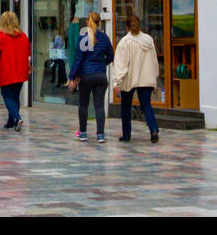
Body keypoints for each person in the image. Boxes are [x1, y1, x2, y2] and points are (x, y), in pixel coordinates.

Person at [113, 14, 161, 143]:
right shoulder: (149, 40)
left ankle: (127, 135)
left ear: (127, 27)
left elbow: (121, 64)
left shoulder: (125, 42)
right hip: (146, 78)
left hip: (130, 78)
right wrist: (155, 75)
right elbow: (154, 60)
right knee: (146, 105)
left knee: (126, 106)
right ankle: (154, 129)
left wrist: (117, 80)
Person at [68, 11, 113, 144]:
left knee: (83, 104)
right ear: (99, 23)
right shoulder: (104, 37)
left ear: (87, 22)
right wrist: (101, 65)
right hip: (100, 76)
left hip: (86, 76)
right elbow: (111, 56)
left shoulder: (83, 37)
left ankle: (82, 133)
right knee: (99, 106)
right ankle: (100, 135)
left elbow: (78, 60)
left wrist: (72, 76)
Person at [0, 10, 31, 131]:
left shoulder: (1, 37)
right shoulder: (23, 36)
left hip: (6, 71)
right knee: (15, 96)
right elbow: (28, 52)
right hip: (20, 71)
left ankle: (17, 118)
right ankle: (11, 120)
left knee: (7, 96)